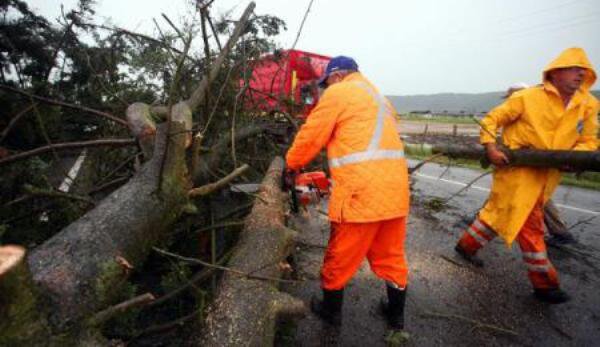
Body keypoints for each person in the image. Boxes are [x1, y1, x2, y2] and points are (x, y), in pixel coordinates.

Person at [454, 47, 599, 304]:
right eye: (574, 69)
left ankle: (466, 246)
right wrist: (491, 147)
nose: (580, 74)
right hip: (517, 170)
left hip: (549, 174)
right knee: (529, 222)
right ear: (555, 73)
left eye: (584, 71)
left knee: (499, 213)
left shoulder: (587, 105)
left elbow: (588, 140)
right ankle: (545, 284)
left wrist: (576, 158)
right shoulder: (527, 98)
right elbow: (492, 119)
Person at [285, 56, 410, 331]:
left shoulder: (340, 93)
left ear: (338, 75)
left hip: (360, 195)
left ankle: (331, 313)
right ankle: (396, 317)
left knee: (339, 256)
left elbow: (311, 134)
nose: (326, 88)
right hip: (395, 193)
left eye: (327, 82)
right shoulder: (379, 98)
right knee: (392, 257)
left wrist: (290, 164)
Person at [503, 83, 576, 246]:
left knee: (539, 197)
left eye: (511, 98)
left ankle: (560, 233)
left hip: (534, 163)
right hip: (524, 162)